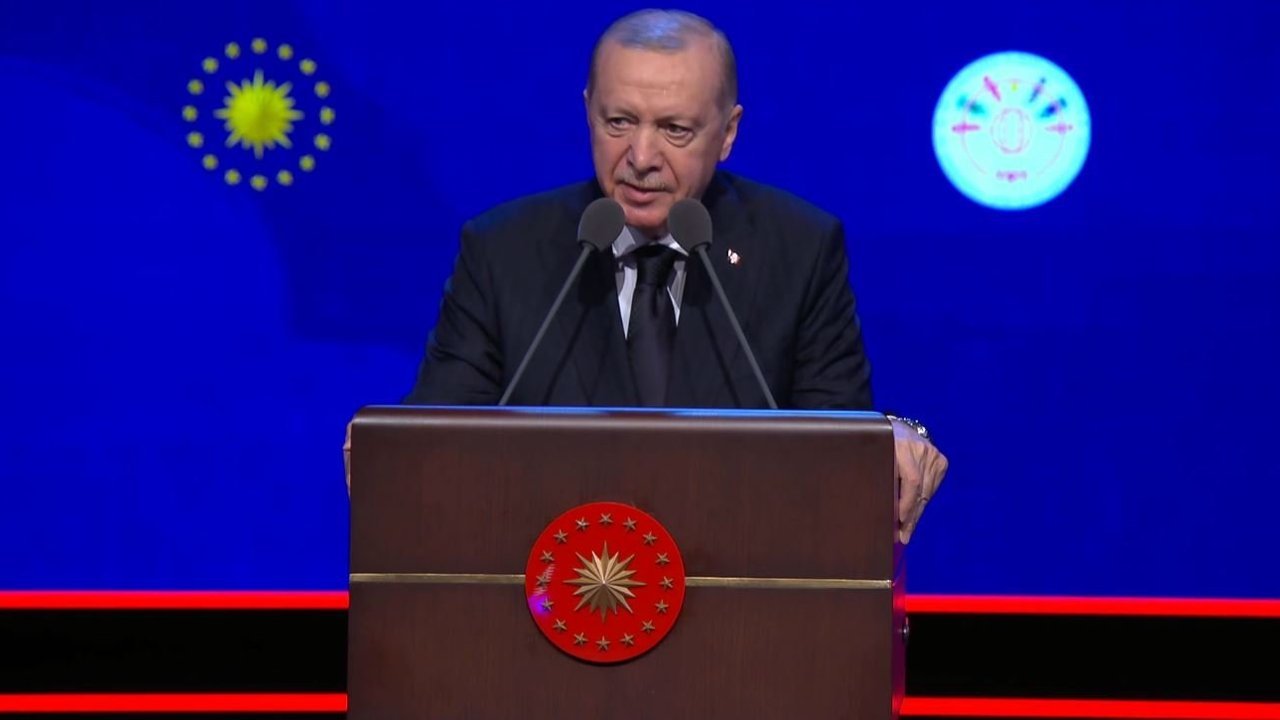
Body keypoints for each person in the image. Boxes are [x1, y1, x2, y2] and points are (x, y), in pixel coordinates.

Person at [350, 9, 947, 542]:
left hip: (740, 588)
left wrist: (891, 435)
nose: (640, 157)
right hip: (549, 589)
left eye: (674, 129)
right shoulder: (503, 250)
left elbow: (837, 437)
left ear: (728, 133)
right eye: (618, 122)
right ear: (587, 111)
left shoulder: (800, 249)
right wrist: (393, 448)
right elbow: (440, 433)